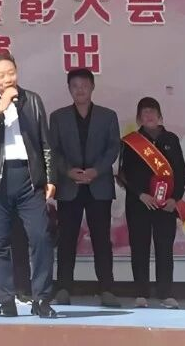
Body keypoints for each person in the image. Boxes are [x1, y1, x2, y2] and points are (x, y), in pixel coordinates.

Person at [0, 51, 58, 319]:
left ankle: (41, 298)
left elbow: (45, 142)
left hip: (28, 177)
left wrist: (50, 178)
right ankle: (5, 299)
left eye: (11, 73)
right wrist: (1, 107)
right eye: (1, 75)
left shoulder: (32, 100)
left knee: (41, 238)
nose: (7, 79)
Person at [49, 69, 121, 307]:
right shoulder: (58, 117)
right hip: (69, 186)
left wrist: (96, 171)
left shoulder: (108, 116)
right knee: (66, 239)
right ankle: (63, 288)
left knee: (102, 239)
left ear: (92, 87)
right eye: (75, 86)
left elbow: (113, 148)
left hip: (98, 185)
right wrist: (68, 171)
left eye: (84, 85)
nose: (80, 90)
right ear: (69, 89)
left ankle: (107, 289)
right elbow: (53, 150)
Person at [120, 97, 185, 309]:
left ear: (160, 116)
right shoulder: (131, 142)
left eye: (152, 111)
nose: (148, 115)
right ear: (139, 118)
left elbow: (180, 172)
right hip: (139, 203)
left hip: (166, 205)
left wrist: (175, 198)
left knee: (164, 248)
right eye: (144, 112)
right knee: (139, 248)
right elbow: (123, 174)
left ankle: (166, 293)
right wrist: (140, 194)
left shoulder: (171, 139)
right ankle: (141, 293)